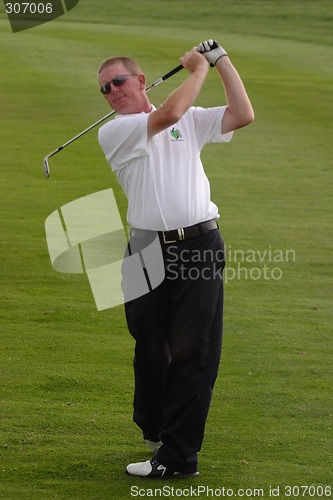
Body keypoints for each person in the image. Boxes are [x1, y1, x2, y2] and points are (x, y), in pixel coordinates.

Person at [97, 40, 254, 479]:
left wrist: (220, 62)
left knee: (192, 351)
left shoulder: (189, 119)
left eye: (118, 81)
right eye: (104, 89)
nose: (112, 91)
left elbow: (242, 114)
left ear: (141, 80)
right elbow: (166, 115)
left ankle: (178, 456)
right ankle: (156, 426)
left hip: (199, 246)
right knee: (149, 348)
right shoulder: (114, 130)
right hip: (145, 250)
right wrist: (196, 70)